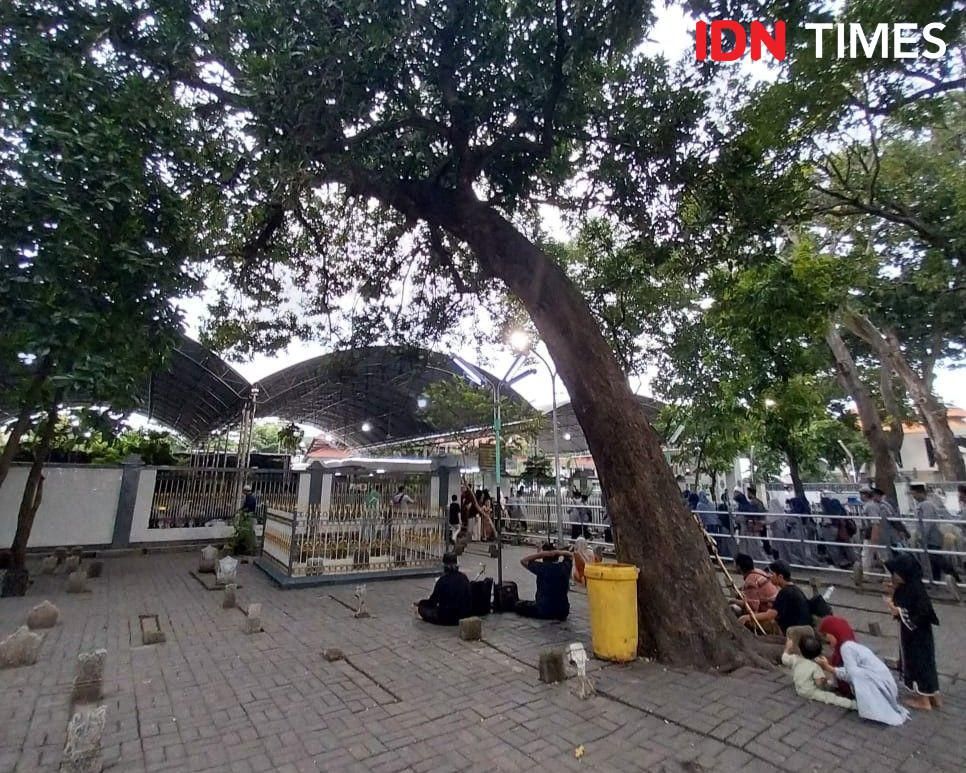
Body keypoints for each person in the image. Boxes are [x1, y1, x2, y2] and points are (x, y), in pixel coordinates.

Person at [816, 616, 909, 725]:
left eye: (826, 635)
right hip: (886, 685)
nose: (827, 640)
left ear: (834, 633)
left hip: (881, 688)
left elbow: (853, 675)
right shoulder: (850, 643)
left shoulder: (846, 648)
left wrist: (829, 668)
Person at [885, 553, 941, 710]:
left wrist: (896, 609)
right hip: (919, 634)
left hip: (916, 636)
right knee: (927, 662)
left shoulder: (913, 589)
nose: (894, 576)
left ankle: (924, 700)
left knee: (918, 662)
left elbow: (918, 613)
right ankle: (933, 696)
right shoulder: (912, 586)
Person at [782, 634, 857, 710]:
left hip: (798, 688)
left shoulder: (794, 658)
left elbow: (784, 658)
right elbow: (819, 683)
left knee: (828, 685)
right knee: (831, 697)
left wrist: (787, 648)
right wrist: (824, 680)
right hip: (810, 692)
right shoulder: (815, 666)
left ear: (800, 649)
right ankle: (853, 705)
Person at [739, 560, 811, 634]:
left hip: (788, 631)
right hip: (802, 628)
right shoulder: (796, 590)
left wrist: (748, 617)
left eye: (772, 573)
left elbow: (770, 615)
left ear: (780, 577)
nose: (769, 576)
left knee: (749, 622)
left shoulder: (785, 592)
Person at [910, 482, 961, 582]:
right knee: (934, 561)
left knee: (937, 559)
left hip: (932, 538)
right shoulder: (922, 505)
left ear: (920, 493)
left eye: (914, 494)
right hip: (929, 538)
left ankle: (954, 576)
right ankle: (936, 581)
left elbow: (927, 523)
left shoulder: (927, 505)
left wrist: (922, 537)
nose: (913, 496)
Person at [516, 543, 572, 621]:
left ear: (543, 556)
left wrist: (542, 554)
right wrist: (557, 552)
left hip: (544, 610)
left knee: (518, 605)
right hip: (563, 611)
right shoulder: (565, 567)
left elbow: (523, 561)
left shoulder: (542, 567)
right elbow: (570, 555)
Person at [415, 553, 472, 625]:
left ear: (444, 566)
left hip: (445, 618)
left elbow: (432, 602)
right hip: (463, 616)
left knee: (422, 609)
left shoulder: (442, 581)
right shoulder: (464, 577)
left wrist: (421, 603)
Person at [731, 553, 778, 619]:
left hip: (768, 611)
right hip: (774, 608)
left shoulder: (751, 580)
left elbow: (753, 606)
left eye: (734, 563)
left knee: (733, 608)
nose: (733, 565)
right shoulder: (758, 572)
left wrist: (734, 601)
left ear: (739, 566)